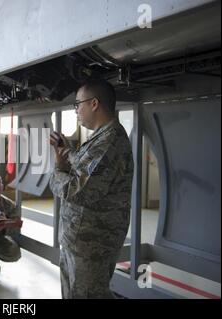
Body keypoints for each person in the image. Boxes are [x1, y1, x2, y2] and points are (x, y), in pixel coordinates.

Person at [49, 79, 134, 299]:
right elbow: (86, 166)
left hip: (91, 245)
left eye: (78, 104)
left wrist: (58, 170)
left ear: (94, 103)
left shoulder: (109, 141)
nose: (76, 109)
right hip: (80, 240)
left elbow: (77, 192)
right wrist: (67, 152)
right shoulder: (101, 137)